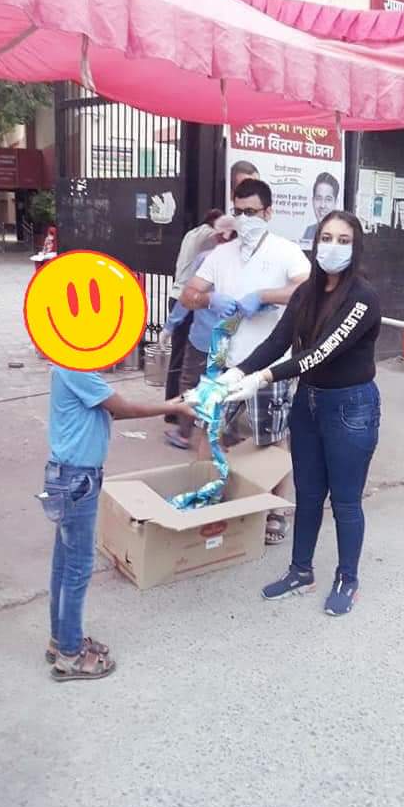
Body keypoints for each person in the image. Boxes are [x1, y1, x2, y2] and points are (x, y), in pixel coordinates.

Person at [221, 210, 381, 616]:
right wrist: (239, 371)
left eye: (343, 240)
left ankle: (348, 578)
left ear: (356, 247)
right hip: (307, 404)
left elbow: (321, 353)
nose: (333, 247)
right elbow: (278, 340)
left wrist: (263, 378)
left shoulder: (363, 298)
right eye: (326, 238)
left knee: (345, 501)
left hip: (350, 408)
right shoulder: (306, 292)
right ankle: (300, 571)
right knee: (308, 495)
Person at [40, 367, 194, 682]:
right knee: (78, 566)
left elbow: (113, 410)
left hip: (69, 476)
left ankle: (61, 640)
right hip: (77, 480)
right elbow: (124, 407)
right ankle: (70, 655)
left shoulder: (70, 366)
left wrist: (174, 403)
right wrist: (173, 407)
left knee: (64, 563)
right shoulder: (75, 368)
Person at [181, 178, 310, 544]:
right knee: (210, 431)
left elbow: (307, 290)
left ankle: (275, 511)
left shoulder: (286, 252)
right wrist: (209, 299)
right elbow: (189, 294)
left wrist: (264, 295)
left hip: (268, 365)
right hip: (224, 362)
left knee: (272, 439)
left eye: (251, 211)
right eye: (238, 211)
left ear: (268, 213)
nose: (244, 219)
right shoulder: (221, 255)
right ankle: (206, 497)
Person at [160, 216, 238, 449]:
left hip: (202, 338)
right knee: (227, 385)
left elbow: (188, 297)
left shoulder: (207, 259)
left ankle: (184, 433)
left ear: (220, 235)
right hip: (231, 338)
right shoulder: (245, 264)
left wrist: (170, 326)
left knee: (191, 383)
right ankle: (228, 434)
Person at [164, 209, 223, 422]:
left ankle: (172, 410)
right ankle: (179, 412)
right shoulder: (207, 236)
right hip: (187, 300)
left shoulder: (192, 233)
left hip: (177, 295)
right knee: (186, 364)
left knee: (179, 359)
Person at [301, 173, 340, 249]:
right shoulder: (309, 231)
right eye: (318, 198)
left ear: (336, 203)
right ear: (313, 201)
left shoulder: (343, 234)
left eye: (328, 199)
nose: (322, 205)